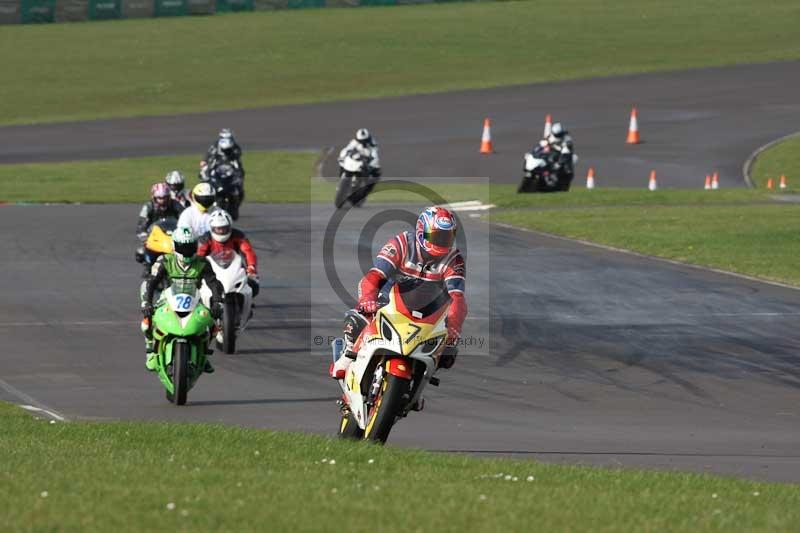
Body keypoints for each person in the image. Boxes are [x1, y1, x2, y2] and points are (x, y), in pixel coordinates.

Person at [329, 206, 467, 379]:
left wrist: (455, 324)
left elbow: (457, 297)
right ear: (421, 233)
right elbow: (375, 275)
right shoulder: (401, 244)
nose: (441, 242)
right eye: (436, 236)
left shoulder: (454, 259)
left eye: (446, 238)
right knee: (359, 317)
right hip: (390, 297)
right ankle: (349, 354)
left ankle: (418, 382)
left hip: (429, 309)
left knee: (448, 352)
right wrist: (368, 299)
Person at [140, 226, 225, 373]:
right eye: (182, 247)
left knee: (212, 323)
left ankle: (204, 356)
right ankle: (150, 351)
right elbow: (151, 282)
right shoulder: (164, 260)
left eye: (189, 247)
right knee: (147, 322)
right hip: (167, 300)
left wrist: (218, 302)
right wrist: (147, 302)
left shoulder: (203, 262)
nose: (186, 251)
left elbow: (214, 283)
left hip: (194, 300)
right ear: (174, 246)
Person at [197, 210, 260, 297]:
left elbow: (248, 252)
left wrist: (251, 267)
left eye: (224, 228)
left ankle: (246, 304)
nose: (221, 231)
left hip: (235, 269)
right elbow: (199, 256)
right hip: (212, 270)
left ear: (229, 227)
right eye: (218, 229)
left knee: (253, 284)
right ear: (212, 228)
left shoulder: (238, 236)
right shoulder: (205, 239)